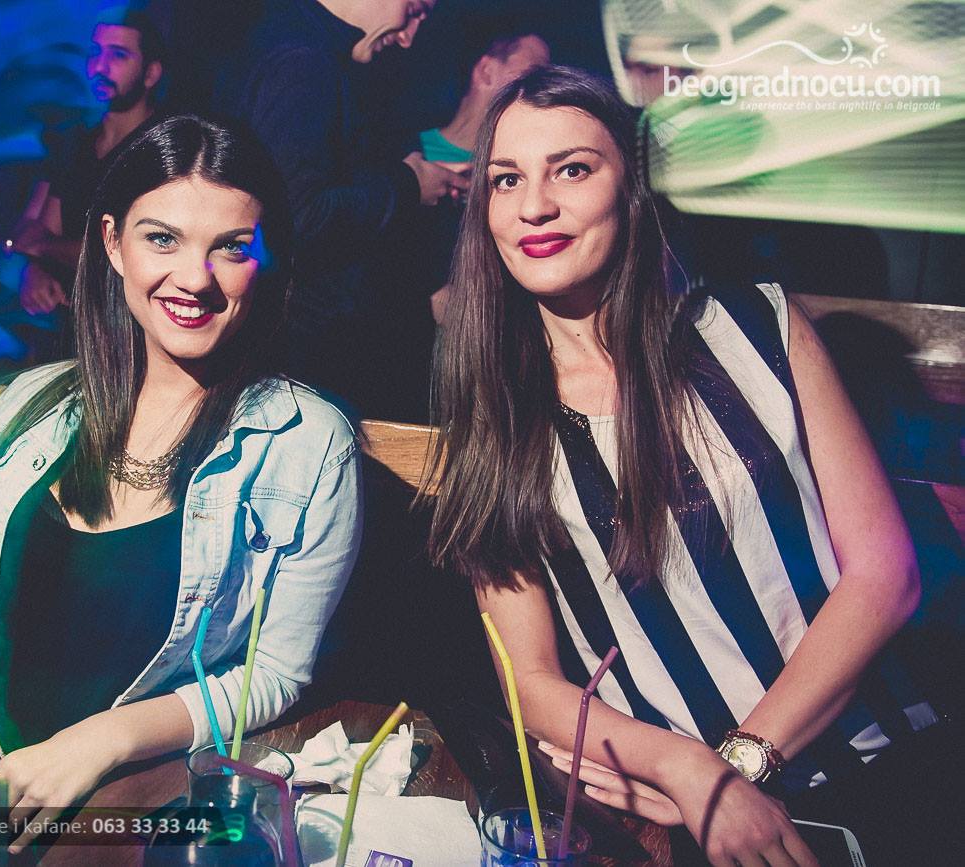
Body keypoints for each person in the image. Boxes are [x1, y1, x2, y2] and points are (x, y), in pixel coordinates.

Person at [425, 66, 954, 865]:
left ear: (631, 189)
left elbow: (885, 575)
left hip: (876, 765)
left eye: (572, 169)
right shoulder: (494, 412)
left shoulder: (756, 326)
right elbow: (530, 681)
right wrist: (686, 771)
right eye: (507, 179)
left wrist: (736, 767)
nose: (534, 205)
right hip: (669, 812)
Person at [0, 114, 362, 851]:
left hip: (125, 827)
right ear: (112, 242)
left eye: (232, 247)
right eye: (162, 238)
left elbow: (275, 672)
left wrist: (104, 741)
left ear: (266, 260)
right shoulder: (36, 404)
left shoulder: (309, 445)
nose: (194, 278)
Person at [210, 0, 470, 406]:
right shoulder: (302, 63)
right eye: (415, 9)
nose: (409, 37)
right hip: (302, 361)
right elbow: (296, 218)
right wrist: (408, 185)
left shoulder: (302, 47)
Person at [13, 11, 166, 317]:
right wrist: (33, 270)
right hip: (67, 319)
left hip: (129, 323)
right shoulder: (74, 142)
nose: (99, 67)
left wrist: (43, 248)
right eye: (95, 53)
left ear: (150, 74)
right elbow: (33, 228)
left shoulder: (163, 149)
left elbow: (130, 253)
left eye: (118, 55)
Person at [420, 29, 550, 325]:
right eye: (533, 74)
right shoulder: (408, 156)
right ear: (486, 71)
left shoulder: (525, 171)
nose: (542, 89)